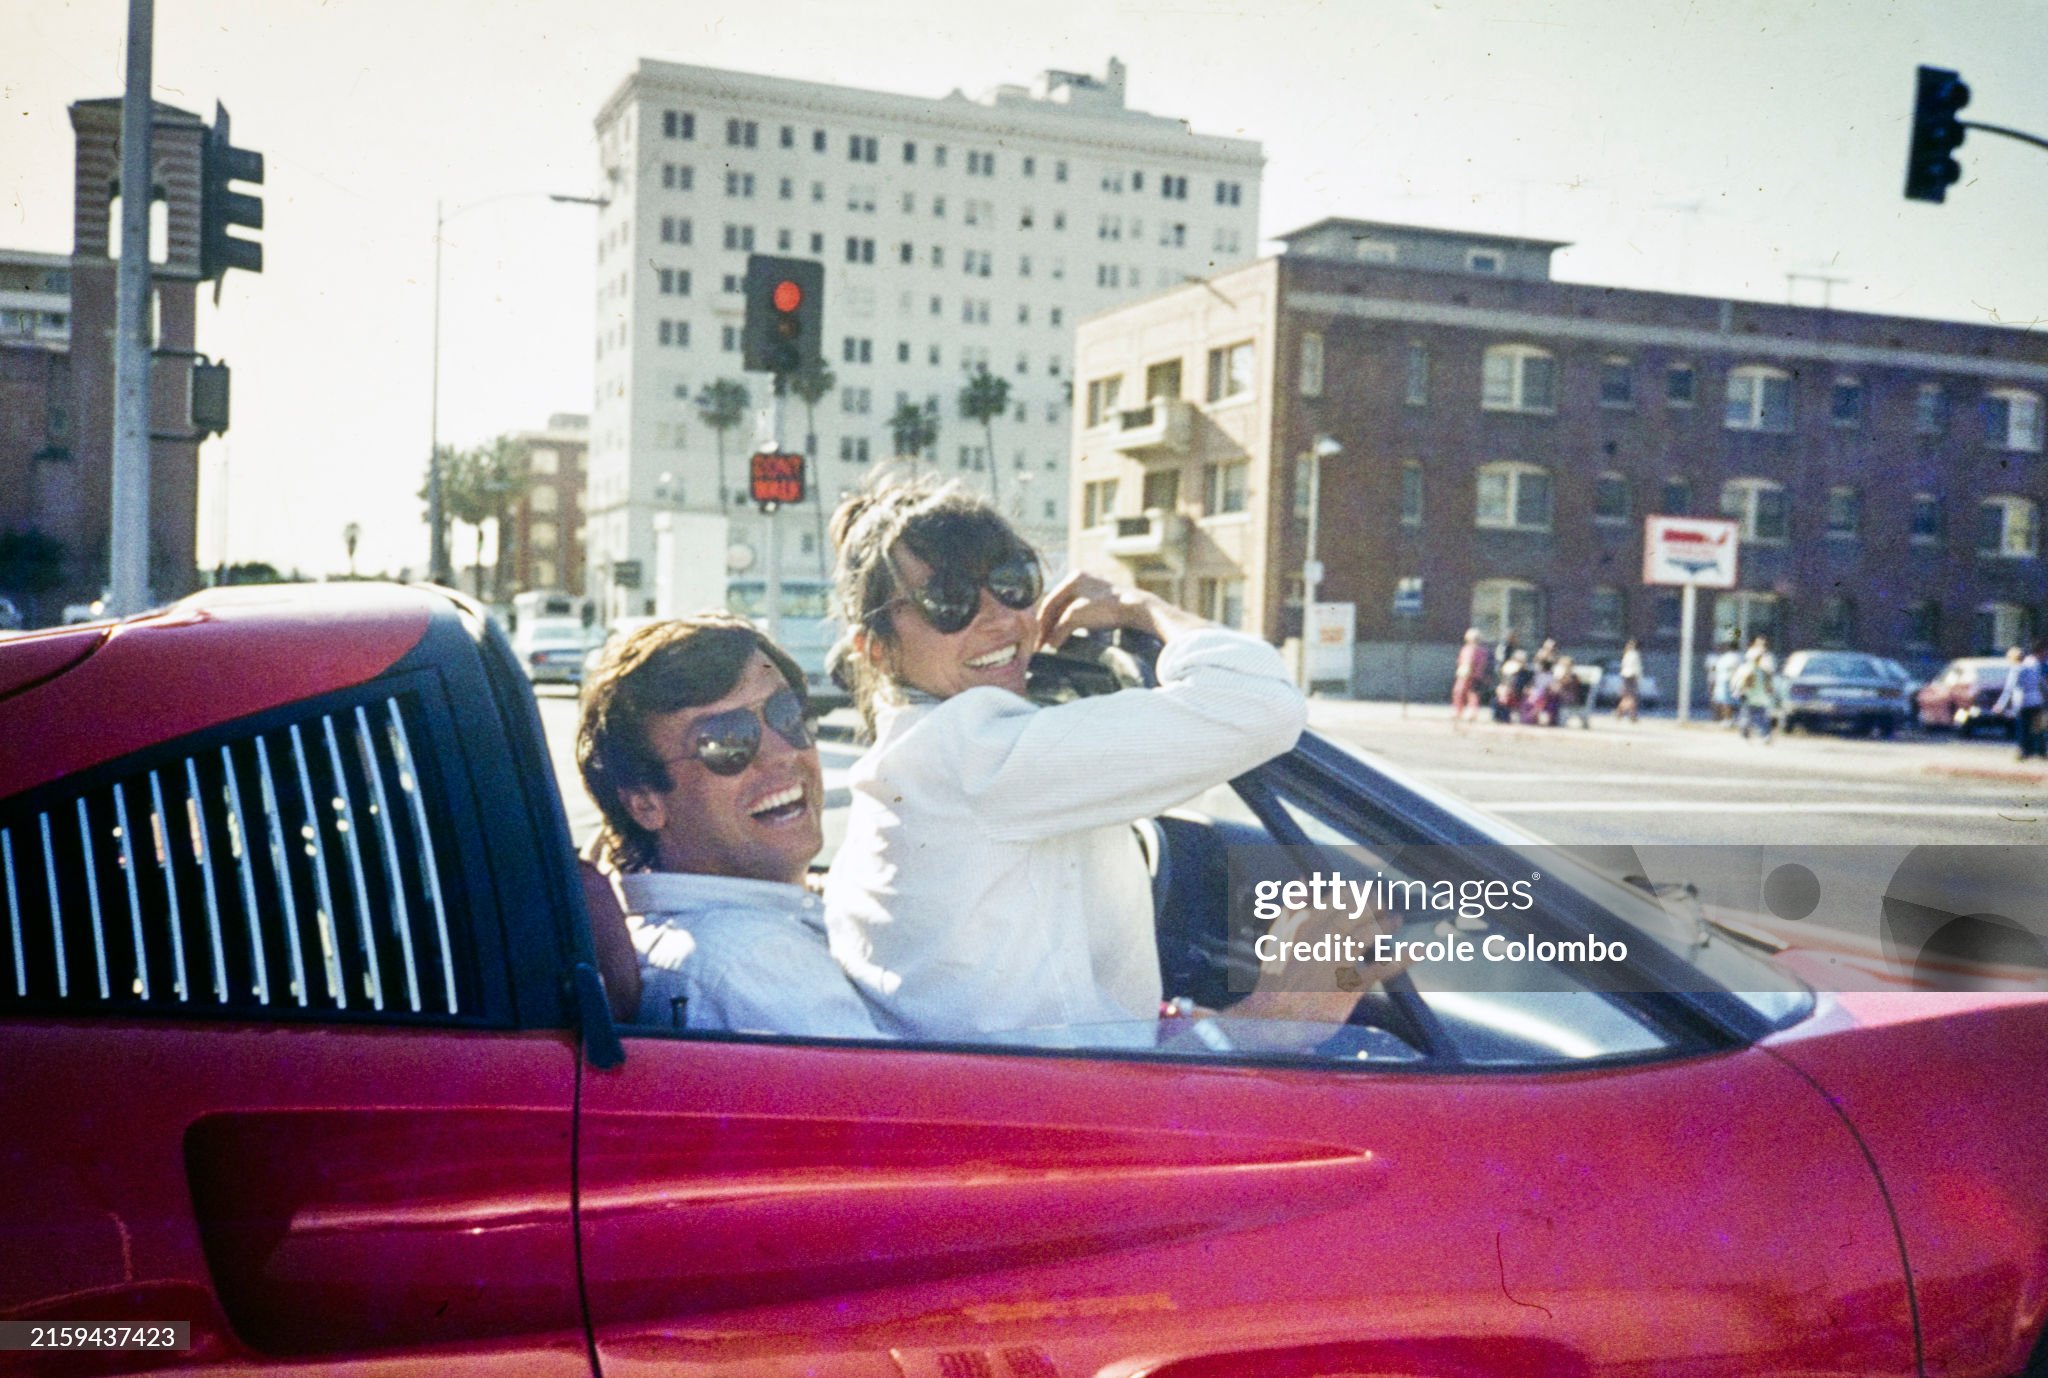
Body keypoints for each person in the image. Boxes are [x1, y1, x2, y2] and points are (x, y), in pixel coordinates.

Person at [823, 477, 1309, 1041]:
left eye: (1011, 582)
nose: (1000, 618)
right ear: (876, 649)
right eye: (948, 601)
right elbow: (1260, 701)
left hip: (1015, 1092)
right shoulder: (969, 754)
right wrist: (1141, 607)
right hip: (1039, 1109)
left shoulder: (918, 758)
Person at [576, 615, 882, 1038]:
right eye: (725, 741)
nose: (781, 754)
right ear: (646, 803)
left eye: (787, 716)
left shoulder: (673, 933)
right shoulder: (756, 963)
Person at [1991, 639, 2046, 760]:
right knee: (2037, 727)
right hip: (2037, 700)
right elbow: (2041, 683)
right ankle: (2041, 751)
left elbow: (2009, 689)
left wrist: (2000, 705)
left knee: (2023, 729)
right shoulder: (2034, 666)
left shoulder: (2017, 669)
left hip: (2023, 702)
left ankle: (2024, 752)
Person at [1733, 636, 1778, 742]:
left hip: (1756, 695)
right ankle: (1755, 734)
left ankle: (1760, 734)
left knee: (1755, 715)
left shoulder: (1763, 663)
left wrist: (1769, 689)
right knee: (1752, 715)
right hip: (1754, 695)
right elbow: (1743, 679)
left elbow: (1768, 677)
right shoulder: (1751, 667)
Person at [1450, 627, 1490, 722]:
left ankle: (1472, 713)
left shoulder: (1481, 651)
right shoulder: (1465, 649)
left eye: (1476, 638)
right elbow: (1460, 661)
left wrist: (1475, 671)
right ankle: (1458, 711)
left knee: (1473, 694)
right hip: (1463, 674)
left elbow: (1481, 664)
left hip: (1474, 675)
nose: (1474, 640)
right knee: (1458, 692)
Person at [1709, 635, 1743, 726]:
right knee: (1729, 702)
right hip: (1731, 681)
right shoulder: (1737, 656)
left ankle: (1729, 719)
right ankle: (1730, 719)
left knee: (1727, 702)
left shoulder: (1729, 657)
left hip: (1727, 681)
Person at [1492, 629, 1521, 722]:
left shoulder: (1510, 647)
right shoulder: (1505, 647)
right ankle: (1500, 715)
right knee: (1503, 693)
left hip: (1508, 672)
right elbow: (1501, 661)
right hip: (1505, 672)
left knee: (1506, 694)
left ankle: (1502, 715)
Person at [1615, 638, 1644, 722]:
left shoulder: (1626, 654)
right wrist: (1638, 679)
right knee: (1632, 697)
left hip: (1625, 676)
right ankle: (1631, 715)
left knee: (1627, 697)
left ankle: (1621, 713)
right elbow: (1636, 668)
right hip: (1632, 677)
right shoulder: (1635, 655)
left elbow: (1623, 667)